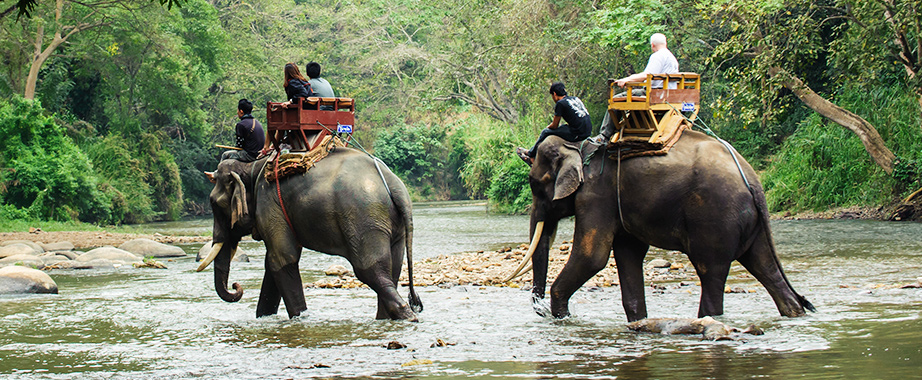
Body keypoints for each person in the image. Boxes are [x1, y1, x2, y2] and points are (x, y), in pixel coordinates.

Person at [593, 32, 679, 143]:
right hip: (669, 94)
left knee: (616, 99)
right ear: (665, 43)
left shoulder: (658, 56)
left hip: (656, 95)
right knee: (634, 92)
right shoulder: (671, 57)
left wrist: (626, 80)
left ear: (652, 45)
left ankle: (604, 135)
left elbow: (646, 75)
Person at [516, 82, 592, 165]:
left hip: (577, 133)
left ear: (554, 94)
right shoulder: (575, 98)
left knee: (545, 131)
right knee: (563, 127)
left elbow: (554, 125)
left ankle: (531, 154)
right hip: (587, 131)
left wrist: (548, 127)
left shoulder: (560, 103)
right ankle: (532, 153)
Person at [264, 63, 314, 153]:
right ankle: (272, 145)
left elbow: (303, 94)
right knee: (278, 114)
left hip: (300, 110)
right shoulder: (303, 81)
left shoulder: (293, 82)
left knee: (273, 117)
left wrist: (290, 101)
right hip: (307, 109)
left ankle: (266, 147)